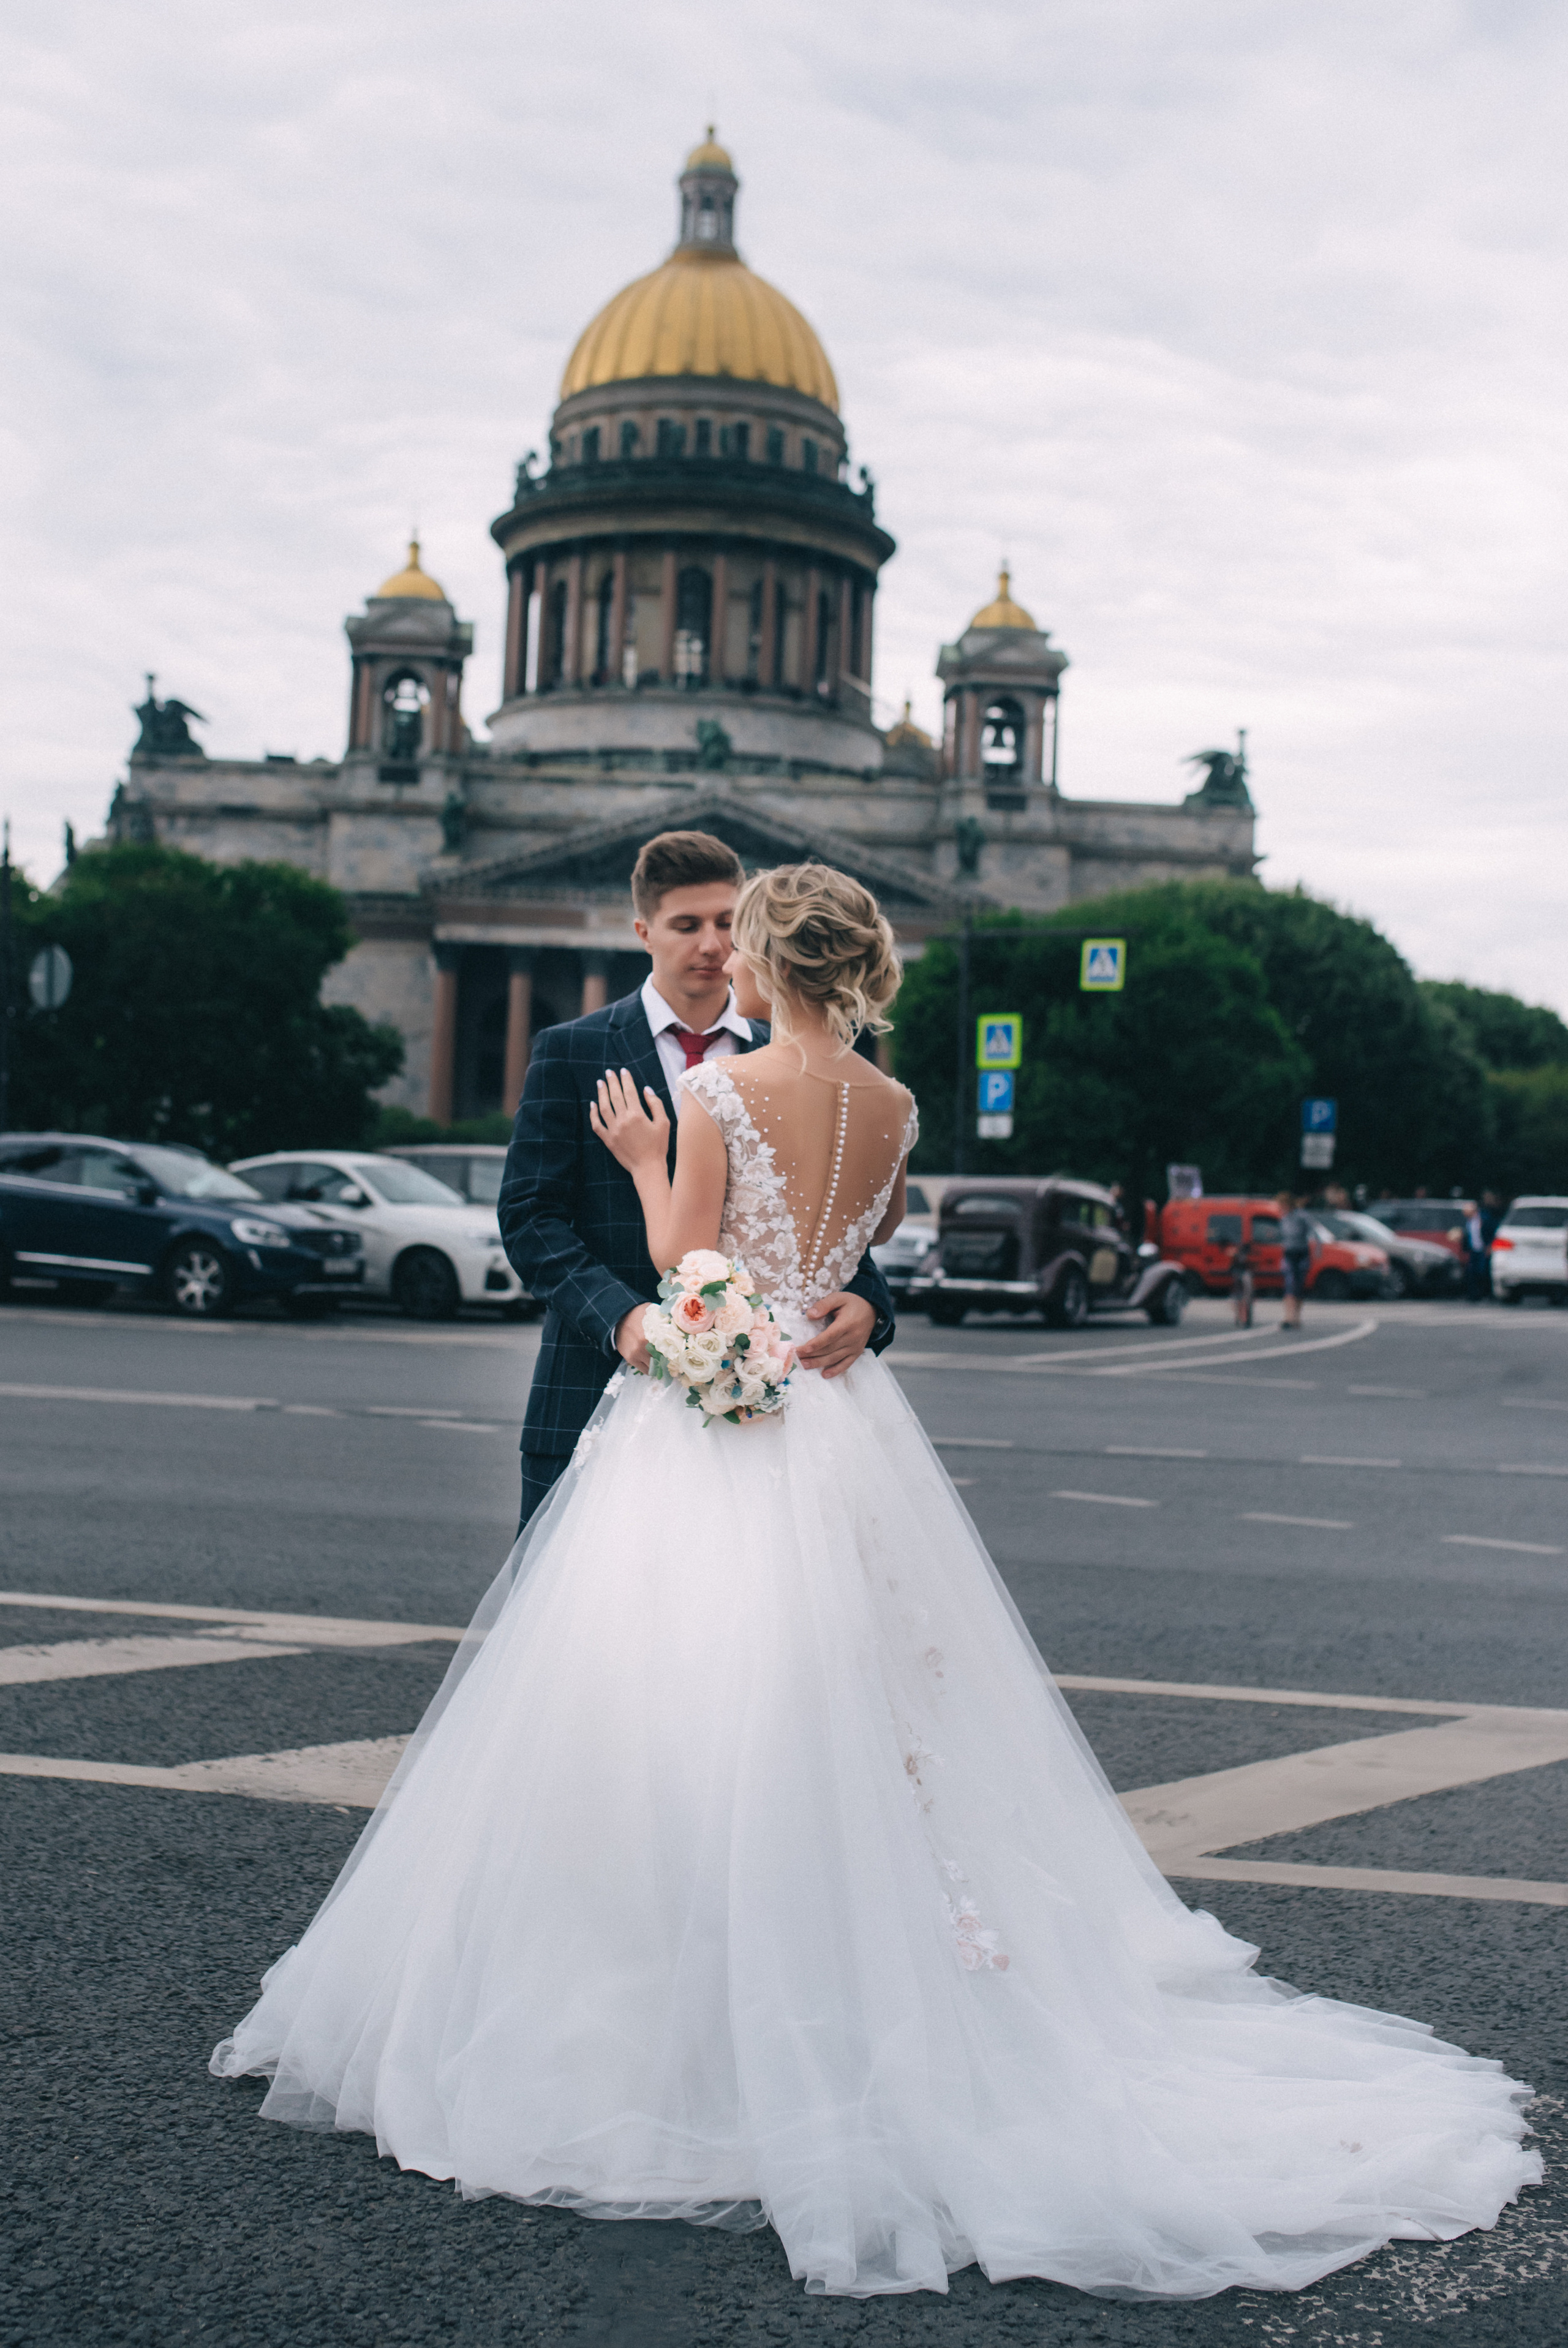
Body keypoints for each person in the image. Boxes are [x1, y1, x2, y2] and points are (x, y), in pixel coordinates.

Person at [211, 864, 1537, 2302]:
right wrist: (763, 1299)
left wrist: (657, 1166)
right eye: (691, 929)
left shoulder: (715, 1097)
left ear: (767, 958)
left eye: (738, 935)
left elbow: (689, 1257)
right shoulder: (899, 1108)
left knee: (676, 1709)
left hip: (723, 1429)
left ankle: (679, 2021)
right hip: (837, 1441)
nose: (716, 953)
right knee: (849, 1715)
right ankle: (860, 1983)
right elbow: (822, 1243)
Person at [494, 828, 894, 1528]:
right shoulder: (571, 1051)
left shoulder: (803, 1060)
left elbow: (832, 1216)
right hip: (591, 1392)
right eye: (687, 925)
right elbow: (530, 1217)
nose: (712, 945)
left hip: (780, 1406)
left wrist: (868, 1303)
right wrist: (622, 1318)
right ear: (645, 931)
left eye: (727, 924)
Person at [1278, 1190, 1313, 1327]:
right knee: (1289, 1285)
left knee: (1299, 1287)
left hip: (1301, 1253)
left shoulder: (1302, 1217)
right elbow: (1283, 1236)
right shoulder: (1283, 1219)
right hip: (1289, 1254)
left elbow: (1310, 1233)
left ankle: (1296, 1318)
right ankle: (1288, 1318)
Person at [1229, 1231, 1254, 1327]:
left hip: (1244, 1274)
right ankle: (1240, 1317)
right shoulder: (1235, 1254)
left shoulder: (1247, 1252)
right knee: (1240, 1297)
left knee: (1245, 1296)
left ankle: (1244, 1318)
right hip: (1239, 1274)